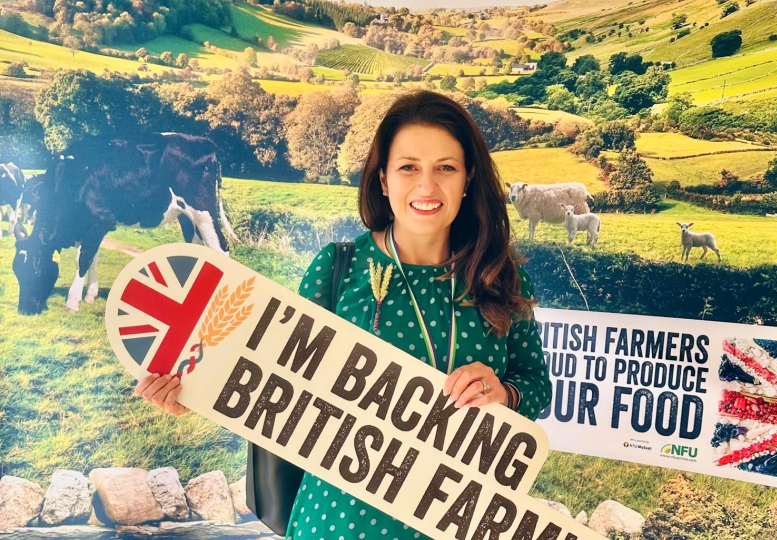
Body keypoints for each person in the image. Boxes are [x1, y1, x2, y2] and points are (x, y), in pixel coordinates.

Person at [134, 90, 552, 540]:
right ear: (384, 180)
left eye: (445, 168)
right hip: (338, 523)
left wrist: (505, 394)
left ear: (468, 178)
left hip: (457, 522)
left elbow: (536, 385)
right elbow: (269, 380)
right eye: (408, 167)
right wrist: (196, 390)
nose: (427, 187)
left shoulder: (499, 277)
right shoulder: (339, 267)